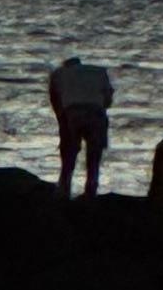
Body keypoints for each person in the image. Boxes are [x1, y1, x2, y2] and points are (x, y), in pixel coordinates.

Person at [47, 53, 114, 202]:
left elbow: (55, 99)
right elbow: (108, 100)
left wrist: (61, 120)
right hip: (96, 112)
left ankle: (64, 188)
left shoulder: (58, 74)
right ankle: (91, 189)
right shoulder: (99, 71)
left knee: (69, 153)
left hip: (72, 112)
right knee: (94, 154)